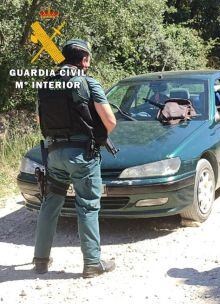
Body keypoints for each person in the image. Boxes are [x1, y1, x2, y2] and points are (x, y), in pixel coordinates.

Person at [33, 39, 117, 278]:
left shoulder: (46, 84)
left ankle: (40, 260)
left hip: (53, 153)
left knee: (50, 204)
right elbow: (110, 121)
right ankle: (92, 263)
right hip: (82, 155)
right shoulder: (88, 82)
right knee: (88, 205)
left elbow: (40, 121)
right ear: (84, 60)